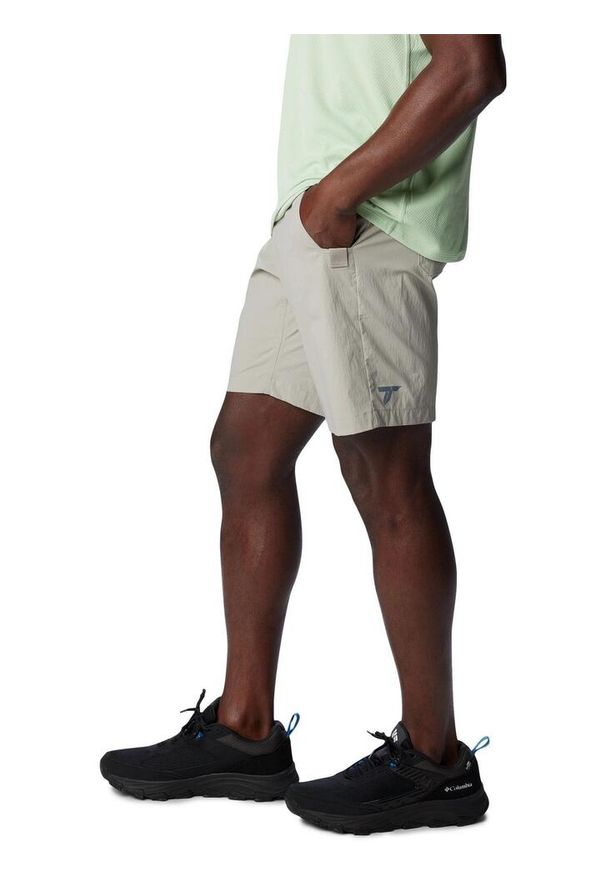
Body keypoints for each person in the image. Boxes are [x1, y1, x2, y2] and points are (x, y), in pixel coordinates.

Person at [100, 34, 506, 835]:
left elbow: (472, 68)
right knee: (244, 450)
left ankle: (437, 760)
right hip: (314, 219)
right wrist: (314, 207)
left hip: (366, 219)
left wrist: (338, 195)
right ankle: (245, 729)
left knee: (385, 476)